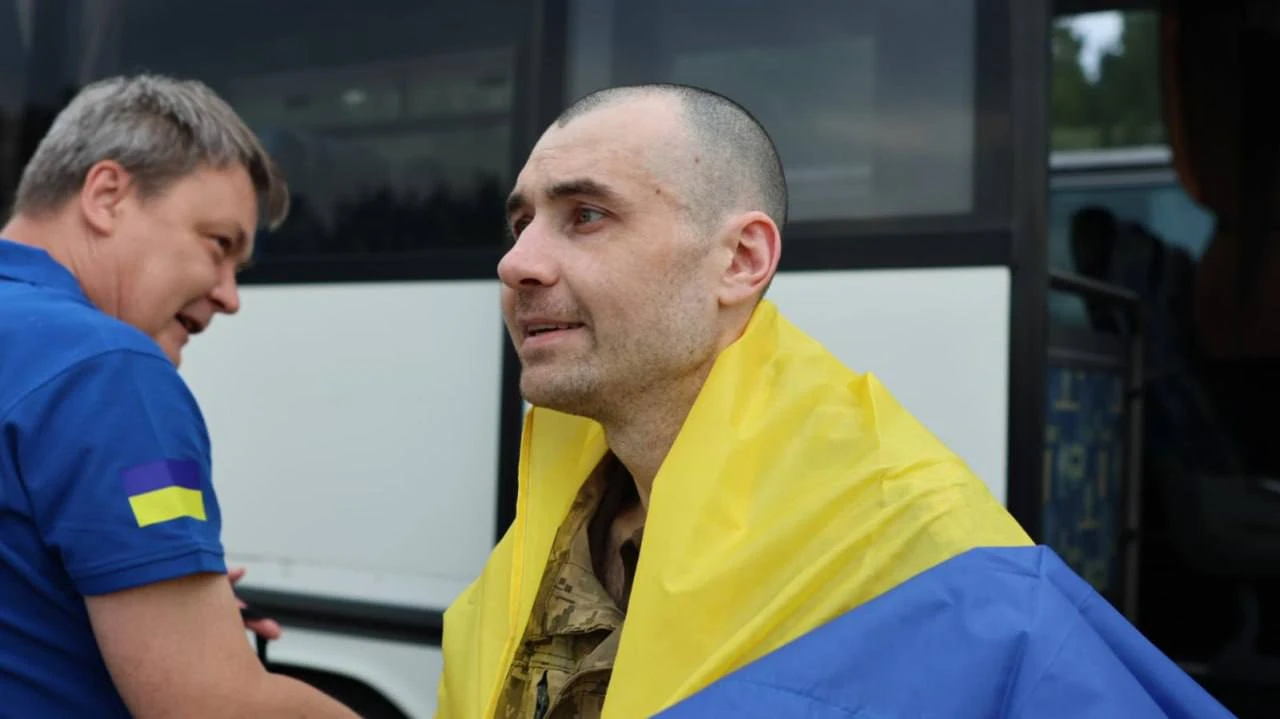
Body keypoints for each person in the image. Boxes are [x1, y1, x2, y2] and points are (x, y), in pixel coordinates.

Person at [435, 83, 1235, 718]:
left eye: (585, 215)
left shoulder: (929, 551)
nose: (517, 263)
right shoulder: (557, 514)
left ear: (741, 260)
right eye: (521, 222)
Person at [0, 74, 358, 717]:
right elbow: (214, 706)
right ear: (107, 196)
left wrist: (159, 602)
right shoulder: (107, 369)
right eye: (219, 245)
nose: (229, 295)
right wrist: (200, 660)